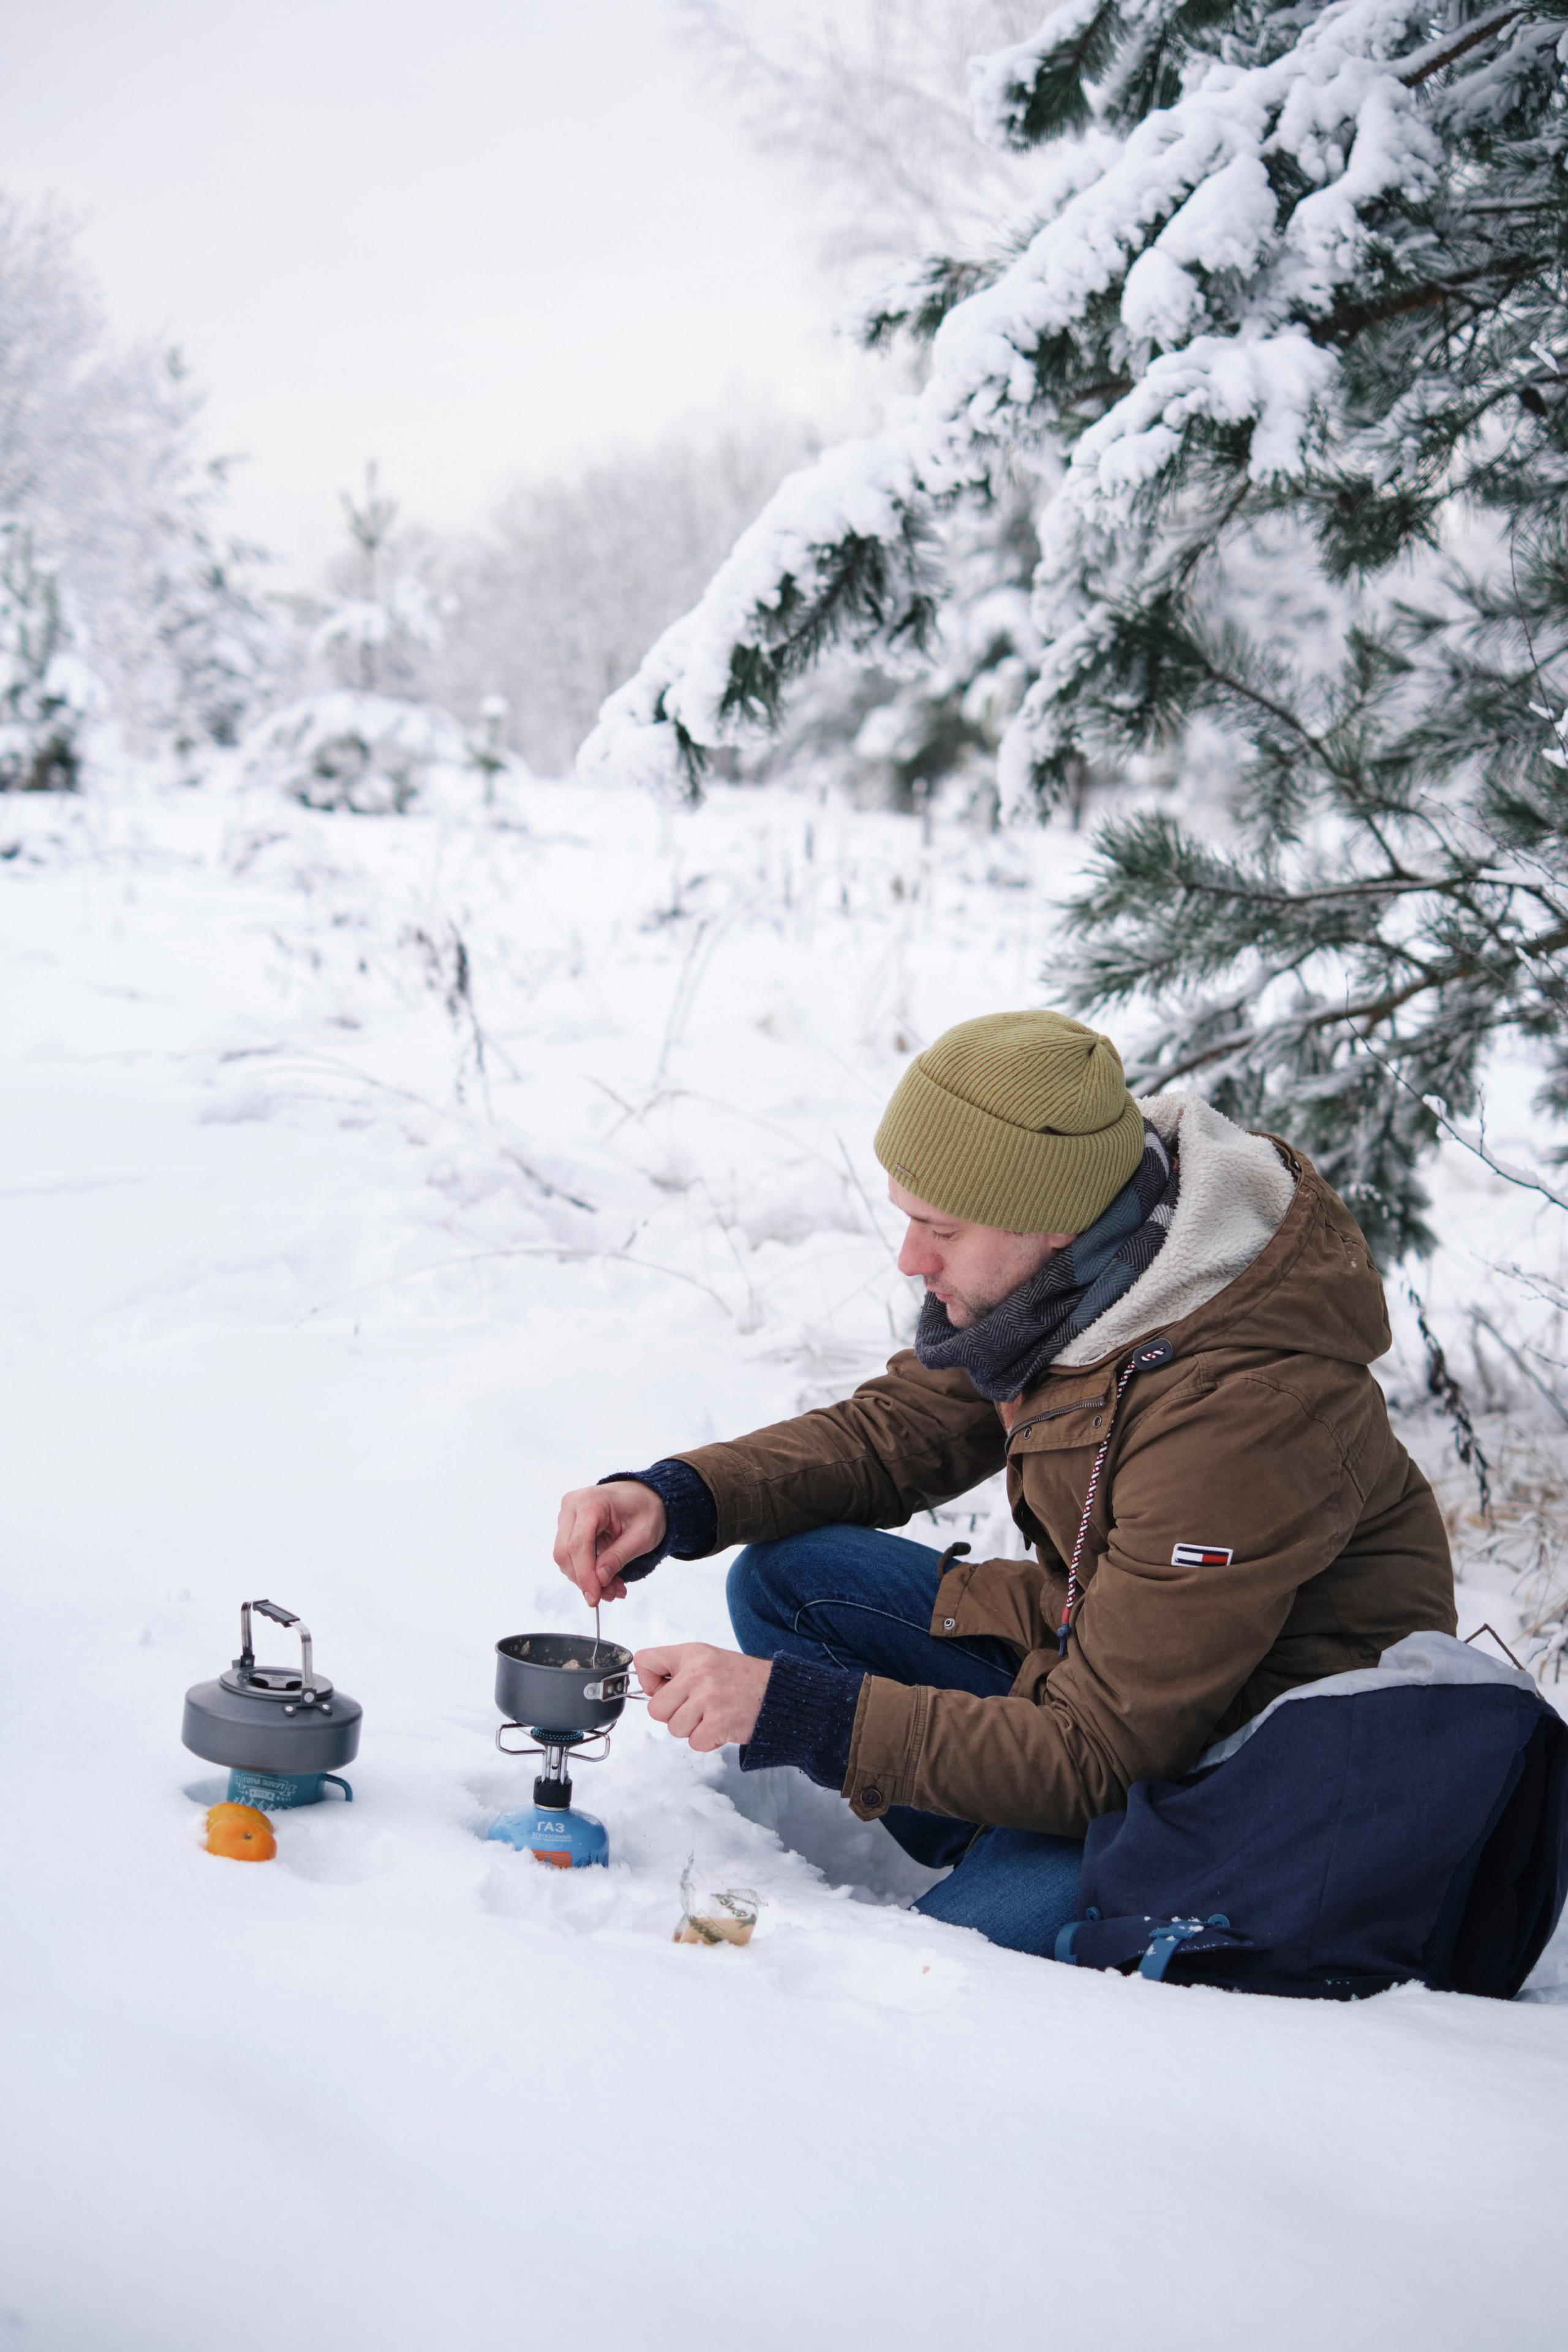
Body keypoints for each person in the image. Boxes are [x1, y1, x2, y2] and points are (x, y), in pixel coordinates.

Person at [553, 1010, 1456, 1961]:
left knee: (954, 1963)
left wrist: (796, 1711)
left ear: (1051, 1220)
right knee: (790, 1586)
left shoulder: (1242, 1409)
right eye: (907, 1217)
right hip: (1116, 1676)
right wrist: (677, 1497)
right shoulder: (1086, 1270)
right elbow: (893, 1434)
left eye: (939, 1228)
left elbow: (1105, 1755)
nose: (911, 1259)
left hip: (1257, 1785)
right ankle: (1009, 1833)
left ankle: (1038, 1866)